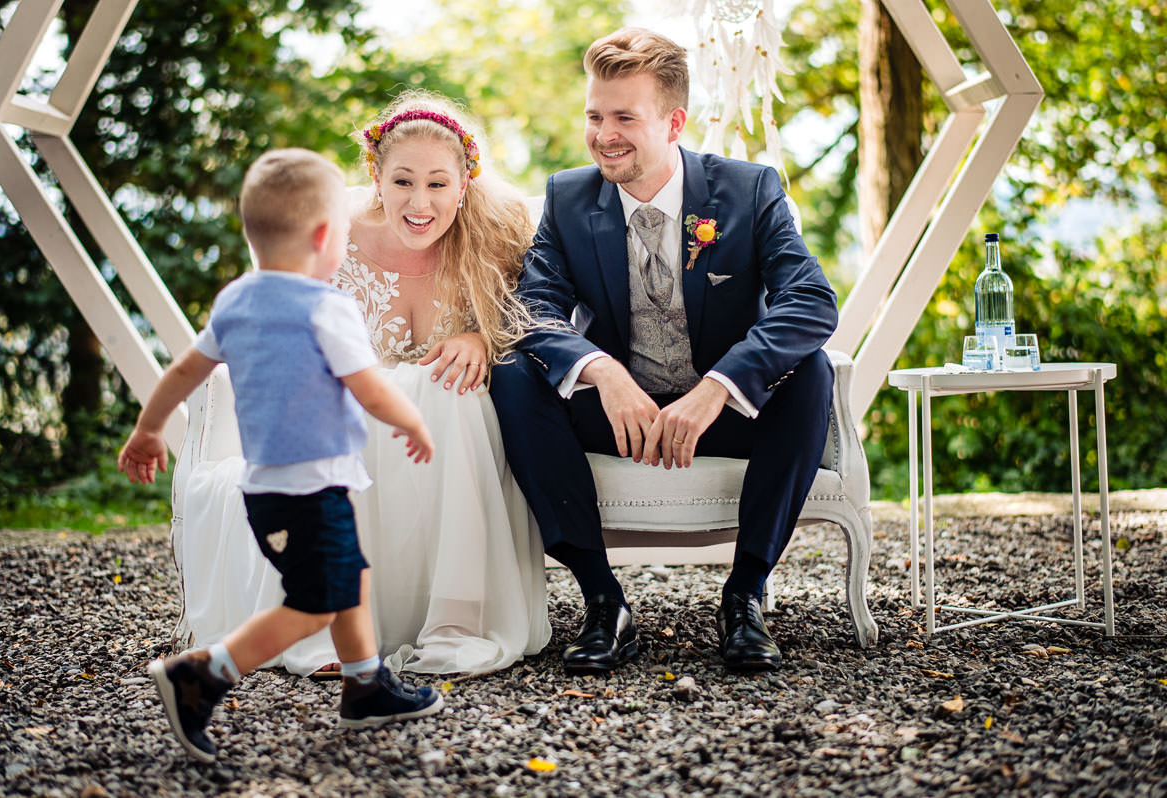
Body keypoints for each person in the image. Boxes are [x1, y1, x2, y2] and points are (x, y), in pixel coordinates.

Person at [490, 28, 838, 673]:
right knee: (513, 373)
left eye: (625, 118)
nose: (604, 135)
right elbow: (531, 308)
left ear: (674, 123)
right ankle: (603, 601)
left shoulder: (749, 190)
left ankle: (745, 596)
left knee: (811, 369)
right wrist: (602, 372)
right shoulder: (568, 198)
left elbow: (811, 301)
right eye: (595, 116)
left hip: (722, 415)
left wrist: (718, 387)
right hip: (621, 415)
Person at [175, 91, 550, 679]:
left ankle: (456, 621)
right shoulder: (331, 238)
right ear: (376, 176)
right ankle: (333, 630)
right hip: (347, 413)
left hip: (447, 426)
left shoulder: (496, 236)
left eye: (437, 183)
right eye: (402, 181)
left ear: (464, 183)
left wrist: (481, 337)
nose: (419, 202)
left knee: (450, 393)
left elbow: (538, 320)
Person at [118, 148, 443, 763]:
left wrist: (149, 429)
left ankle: (366, 685)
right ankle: (202, 674)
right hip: (312, 488)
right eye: (344, 232)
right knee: (314, 603)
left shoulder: (236, 300)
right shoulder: (326, 306)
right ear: (323, 237)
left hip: (266, 490)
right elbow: (368, 386)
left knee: (349, 576)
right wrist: (413, 420)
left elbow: (185, 370)